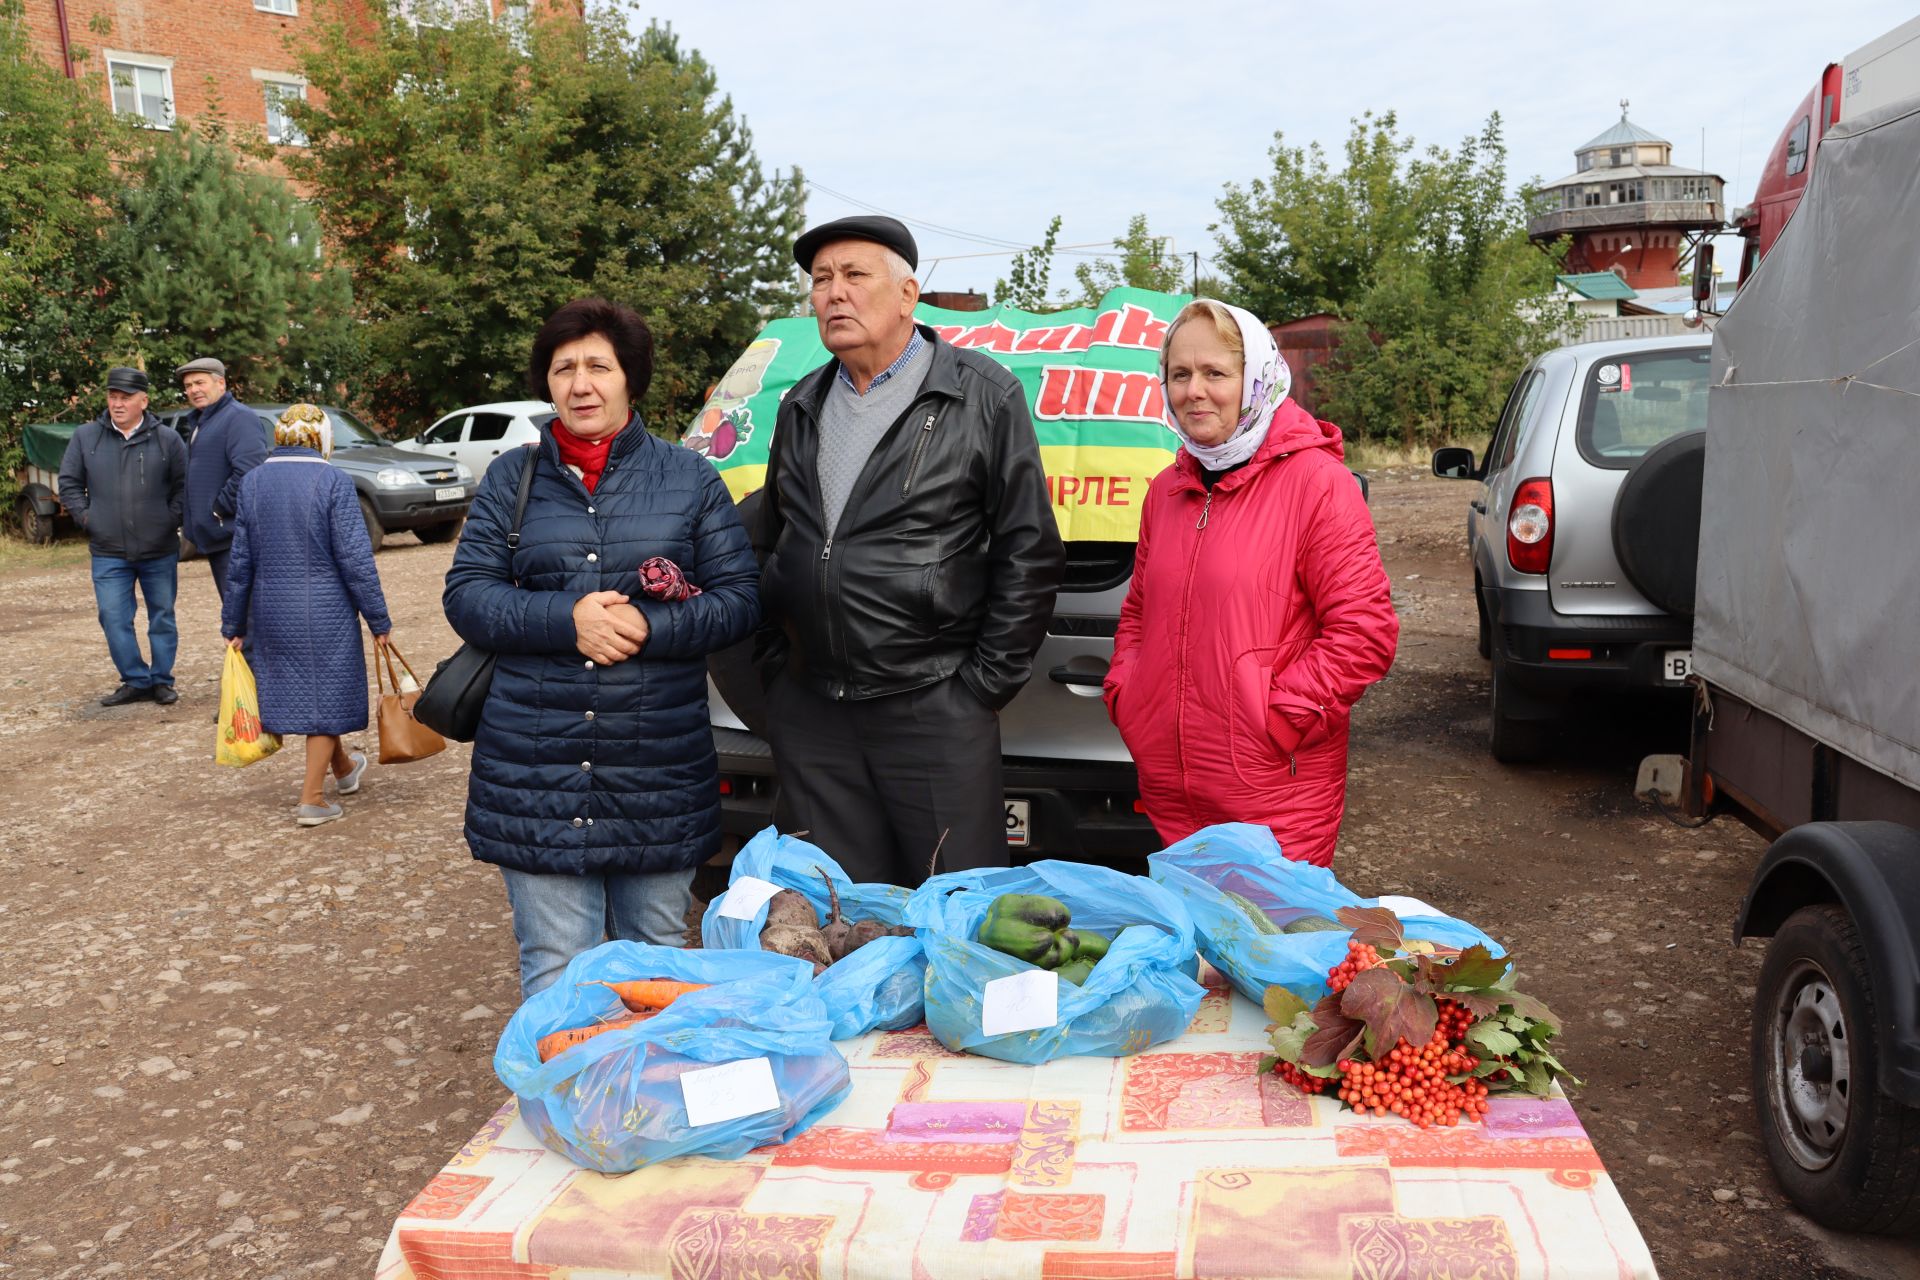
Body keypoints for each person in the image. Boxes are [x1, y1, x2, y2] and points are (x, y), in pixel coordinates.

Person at [444, 297, 761, 999]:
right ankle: (571, 1107)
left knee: (656, 964)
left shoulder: (689, 479)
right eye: (563, 369)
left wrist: (653, 627)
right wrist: (568, 619)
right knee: (558, 970)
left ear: (630, 379)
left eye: (598, 366)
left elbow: (739, 599)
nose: (579, 384)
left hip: (658, 769)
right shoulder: (510, 480)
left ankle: (652, 1109)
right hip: (536, 771)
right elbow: (467, 595)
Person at [753, 216, 1065, 887]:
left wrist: (980, 687)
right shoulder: (800, 405)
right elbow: (772, 539)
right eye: (820, 281)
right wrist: (779, 674)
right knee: (840, 917)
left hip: (932, 707)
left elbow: (1029, 549)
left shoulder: (980, 394)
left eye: (853, 275)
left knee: (951, 907)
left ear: (906, 294)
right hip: (816, 717)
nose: (832, 294)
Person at [1103, 299, 1398, 867]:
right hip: (1173, 786)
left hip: (1274, 795)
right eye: (1180, 374)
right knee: (1197, 950)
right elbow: (1140, 609)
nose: (1195, 391)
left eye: (1216, 373)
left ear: (1257, 378)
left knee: (1268, 950)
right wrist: (1129, 695)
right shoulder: (1167, 489)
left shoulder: (1317, 483)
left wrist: (1277, 719)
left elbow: (1364, 632)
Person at [221, 405, 393, 827]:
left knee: (310, 695)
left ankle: (345, 770)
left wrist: (234, 623)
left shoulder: (253, 482)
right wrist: (378, 619)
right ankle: (312, 799)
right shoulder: (332, 480)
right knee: (326, 699)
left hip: (270, 609)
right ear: (322, 438)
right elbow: (355, 559)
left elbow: (240, 560)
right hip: (324, 610)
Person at [58, 366, 188, 707]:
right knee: (113, 616)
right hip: (108, 549)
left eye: (126, 398)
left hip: (159, 548)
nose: (117, 404)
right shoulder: (86, 437)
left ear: (143, 401)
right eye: (113, 397)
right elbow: (69, 482)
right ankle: (134, 679)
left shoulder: (167, 439)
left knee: (162, 615)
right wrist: (87, 518)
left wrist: (169, 518)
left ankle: (161, 679)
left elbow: (184, 487)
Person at [176, 356, 268, 601]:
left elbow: (250, 472)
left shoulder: (238, 417)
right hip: (219, 539)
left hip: (235, 538)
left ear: (221, 384)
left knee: (246, 617)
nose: (193, 390)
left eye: (200, 382)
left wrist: (218, 509)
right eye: (188, 386)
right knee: (237, 616)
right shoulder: (201, 422)